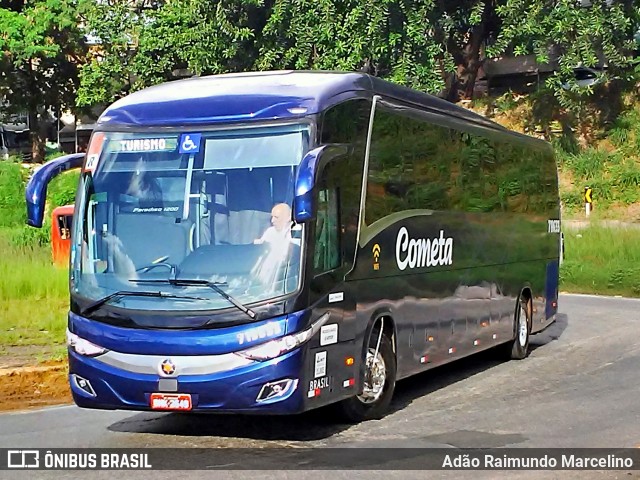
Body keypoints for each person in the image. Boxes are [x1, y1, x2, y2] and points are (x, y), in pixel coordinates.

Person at [252, 203, 296, 287]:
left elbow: (291, 253)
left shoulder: (295, 232)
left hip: (284, 278)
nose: (272, 221)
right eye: (272, 217)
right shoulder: (270, 231)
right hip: (266, 277)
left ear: (288, 218)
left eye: (276, 217)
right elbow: (261, 248)